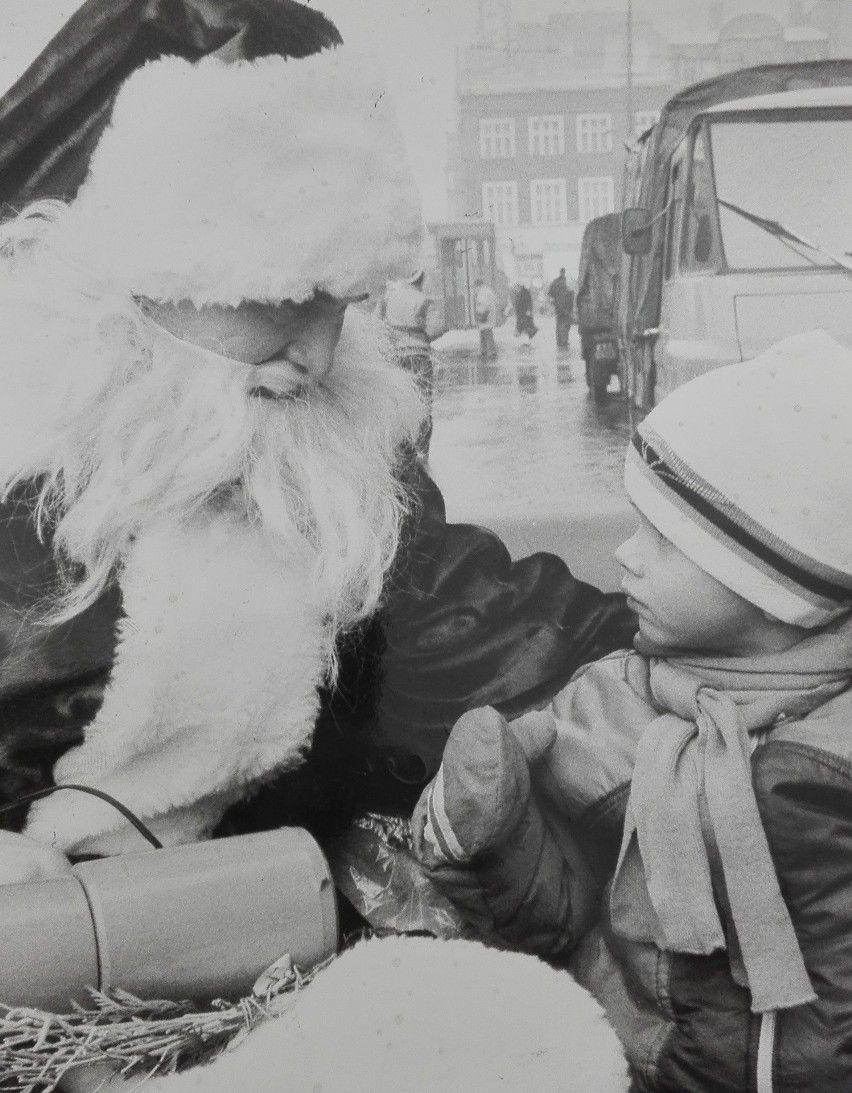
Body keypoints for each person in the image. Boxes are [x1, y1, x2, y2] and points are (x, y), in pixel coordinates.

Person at [0, 32, 636, 855]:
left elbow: (488, 633)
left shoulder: (331, 456)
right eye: (289, 297)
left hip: (272, 934)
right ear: (151, 275)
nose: (320, 356)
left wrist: (730, 659)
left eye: (340, 305)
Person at [413, 329, 852, 1091]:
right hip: (641, 1067)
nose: (625, 556)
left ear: (774, 580)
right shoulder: (614, 707)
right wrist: (503, 833)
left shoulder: (831, 755)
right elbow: (574, 908)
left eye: (666, 540)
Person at [377, 269, 436, 459]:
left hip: (395, 356)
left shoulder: (388, 297)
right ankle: (421, 450)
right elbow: (434, 329)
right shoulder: (423, 300)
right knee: (423, 403)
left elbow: (376, 322)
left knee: (397, 401)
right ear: (421, 278)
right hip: (419, 356)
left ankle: (399, 448)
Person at [548, 267, 575, 351]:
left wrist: (554, 302)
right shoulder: (568, 281)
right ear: (564, 272)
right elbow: (571, 293)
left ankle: (559, 341)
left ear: (560, 272)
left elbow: (549, 294)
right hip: (567, 307)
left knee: (559, 323)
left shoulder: (554, 282)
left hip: (558, 307)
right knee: (566, 324)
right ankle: (564, 341)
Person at [473, 277, 498, 361]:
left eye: (475, 287)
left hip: (485, 316)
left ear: (478, 285)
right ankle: (484, 350)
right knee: (484, 333)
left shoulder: (483, 293)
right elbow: (495, 301)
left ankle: (490, 351)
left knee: (486, 333)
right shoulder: (488, 291)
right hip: (489, 315)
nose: (474, 289)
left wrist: (481, 314)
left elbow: (484, 304)